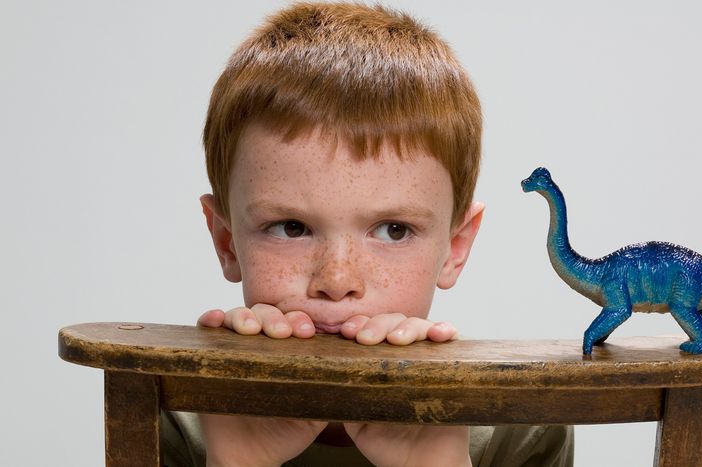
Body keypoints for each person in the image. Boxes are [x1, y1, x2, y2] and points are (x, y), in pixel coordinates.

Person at [162, 2, 573, 466]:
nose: (337, 281)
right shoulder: (171, 415)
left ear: (455, 248)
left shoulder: (523, 424)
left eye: (394, 230)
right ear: (226, 241)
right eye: (291, 228)